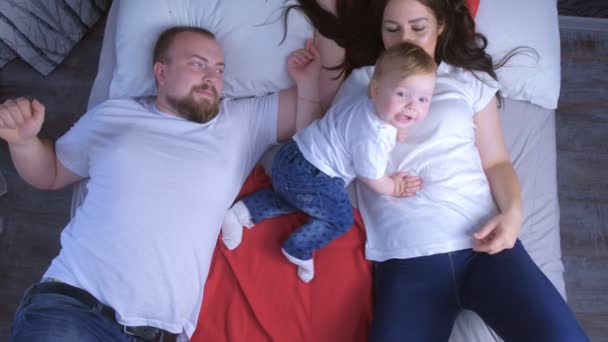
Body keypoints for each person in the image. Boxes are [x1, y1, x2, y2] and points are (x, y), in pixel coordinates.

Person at [294, 0, 591, 341]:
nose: (404, 38)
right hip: (407, 262)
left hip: (484, 248)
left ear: (441, 26)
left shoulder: (466, 79)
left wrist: (512, 214)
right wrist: (307, 83)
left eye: (418, 27)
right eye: (392, 29)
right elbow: (317, 149)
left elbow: (497, 162)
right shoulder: (362, 83)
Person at [2, 26, 322, 342]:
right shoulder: (114, 116)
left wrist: (308, 80)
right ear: (161, 72)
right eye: (198, 64)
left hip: (162, 334)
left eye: (219, 69)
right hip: (76, 309)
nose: (212, 76)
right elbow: (52, 172)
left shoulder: (241, 123)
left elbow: (316, 112)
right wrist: (23, 143)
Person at [220, 41, 435, 283]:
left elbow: (369, 121)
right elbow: (371, 176)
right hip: (314, 175)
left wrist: (396, 125)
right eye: (402, 94)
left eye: (423, 100)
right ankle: (298, 247)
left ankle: (241, 213)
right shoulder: (374, 135)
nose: (412, 106)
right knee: (340, 218)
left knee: (292, 197)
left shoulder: (363, 102)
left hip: (290, 157)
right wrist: (394, 187)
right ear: (375, 90)